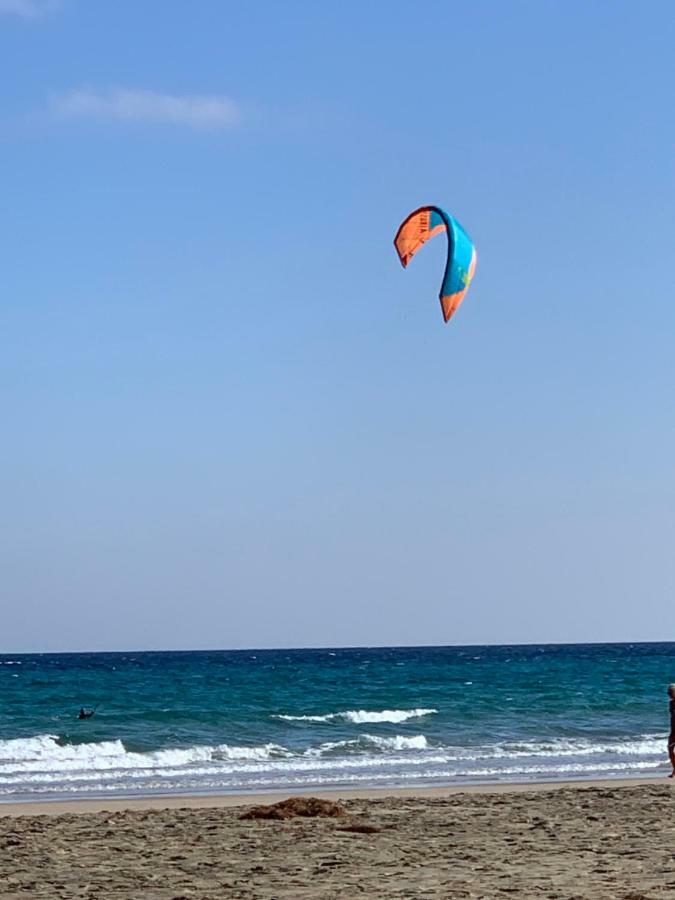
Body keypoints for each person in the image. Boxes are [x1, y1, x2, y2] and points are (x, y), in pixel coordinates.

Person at [668, 685, 675, 777]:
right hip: (673, 730)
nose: (669, 694)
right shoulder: (671, 703)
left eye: (670, 692)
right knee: (670, 750)